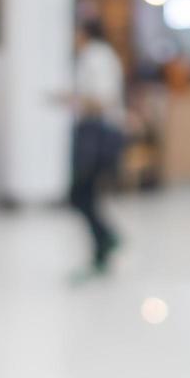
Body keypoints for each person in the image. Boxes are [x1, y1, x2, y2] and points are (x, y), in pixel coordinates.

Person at [68, 21, 127, 274]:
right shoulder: (96, 57)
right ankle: (102, 246)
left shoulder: (97, 57)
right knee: (85, 194)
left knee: (81, 192)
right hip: (94, 130)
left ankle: (106, 240)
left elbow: (104, 99)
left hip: (98, 132)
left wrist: (75, 100)